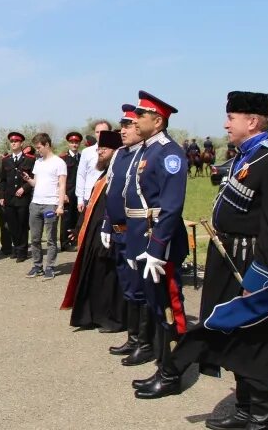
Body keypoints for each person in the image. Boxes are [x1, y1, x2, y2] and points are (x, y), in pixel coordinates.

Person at [136, 91, 268, 430]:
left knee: (256, 339)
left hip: (252, 261)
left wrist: (258, 280)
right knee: (229, 330)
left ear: (252, 121)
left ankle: (259, 416)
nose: (225, 124)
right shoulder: (247, 157)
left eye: (231, 118)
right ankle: (244, 409)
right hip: (229, 256)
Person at [125, 91, 189, 392]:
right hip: (146, 242)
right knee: (155, 305)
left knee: (169, 307)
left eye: (141, 116)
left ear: (158, 121)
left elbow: (171, 206)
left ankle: (172, 374)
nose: (135, 120)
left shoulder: (169, 153)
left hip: (161, 246)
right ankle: (163, 366)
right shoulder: (149, 150)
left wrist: (156, 248)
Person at [105, 105, 156, 365]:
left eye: (128, 125)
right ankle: (133, 336)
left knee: (139, 287)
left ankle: (143, 342)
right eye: (122, 126)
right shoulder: (120, 155)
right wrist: (106, 225)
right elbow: (111, 191)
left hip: (136, 231)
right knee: (127, 285)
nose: (123, 130)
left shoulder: (146, 155)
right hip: (117, 231)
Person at [61, 129, 125, 331]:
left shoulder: (119, 173)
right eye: (99, 149)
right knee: (94, 275)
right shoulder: (105, 174)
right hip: (94, 233)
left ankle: (110, 318)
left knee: (107, 276)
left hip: (109, 233)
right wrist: (79, 226)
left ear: (115, 150)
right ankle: (92, 315)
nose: (99, 152)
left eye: (104, 149)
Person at [23, 132, 67, 279]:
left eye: (39, 147)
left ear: (47, 145)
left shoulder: (59, 163)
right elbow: (36, 183)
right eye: (36, 148)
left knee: (50, 239)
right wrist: (28, 180)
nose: (37, 150)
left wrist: (60, 205)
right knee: (35, 238)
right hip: (35, 203)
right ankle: (37, 266)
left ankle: (50, 267)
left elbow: (62, 186)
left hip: (51, 205)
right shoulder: (38, 162)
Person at [0, 131, 36, 262]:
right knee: (12, 225)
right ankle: (16, 247)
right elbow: (3, 180)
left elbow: (33, 178)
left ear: (21, 143)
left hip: (23, 198)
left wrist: (24, 188)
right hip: (9, 198)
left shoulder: (30, 159)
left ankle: (22, 251)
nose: (13, 143)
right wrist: (2, 196)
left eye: (16, 141)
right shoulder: (6, 160)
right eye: (12, 141)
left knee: (22, 225)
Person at [76, 120, 113, 216]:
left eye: (103, 132)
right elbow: (81, 175)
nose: (100, 135)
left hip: (107, 196)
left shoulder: (116, 151)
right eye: (97, 132)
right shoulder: (87, 152)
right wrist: (80, 198)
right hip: (89, 197)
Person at [60, 131, 83, 251]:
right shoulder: (63, 158)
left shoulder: (82, 158)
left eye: (76, 142)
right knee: (66, 218)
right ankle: (65, 243)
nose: (74, 144)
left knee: (78, 217)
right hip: (67, 192)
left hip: (78, 193)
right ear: (68, 143)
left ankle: (75, 241)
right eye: (72, 142)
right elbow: (59, 178)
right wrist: (62, 194)